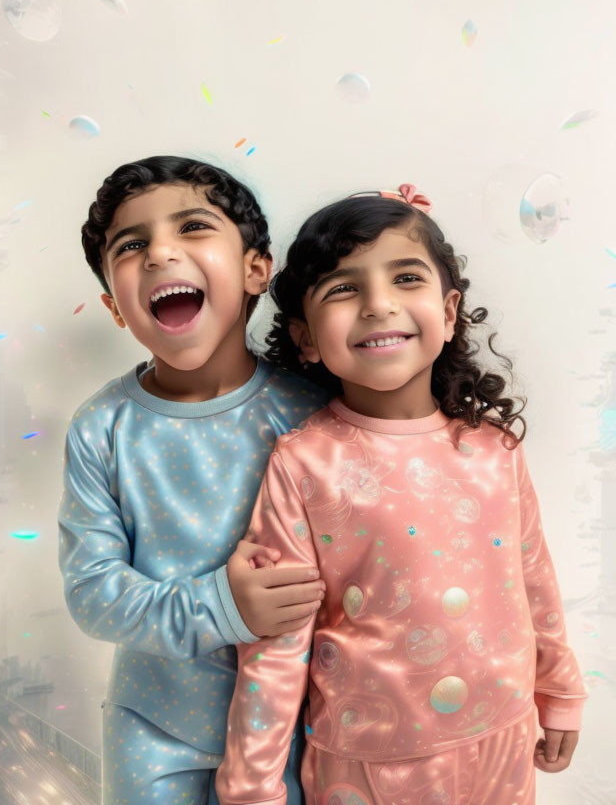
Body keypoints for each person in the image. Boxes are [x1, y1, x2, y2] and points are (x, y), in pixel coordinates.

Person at [215, 184, 587, 805]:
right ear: (306, 337)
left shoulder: (495, 451)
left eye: (406, 278)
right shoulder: (303, 462)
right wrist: (251, 787)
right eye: (343, 288)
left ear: (448, 312)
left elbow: (534, 581)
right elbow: (276, 642)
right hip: (370, 764)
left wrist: (560, 691)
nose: (378, 304)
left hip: (504, 737)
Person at [57, 156, 328, 805]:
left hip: (297, 729)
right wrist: (224, 606)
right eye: (132, 245)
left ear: (255, 268)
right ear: (115, 307)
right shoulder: (102, 426)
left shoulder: (315, 412)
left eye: (192, 227)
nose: (159, 254)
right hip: (150, 733)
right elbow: (92, 592)